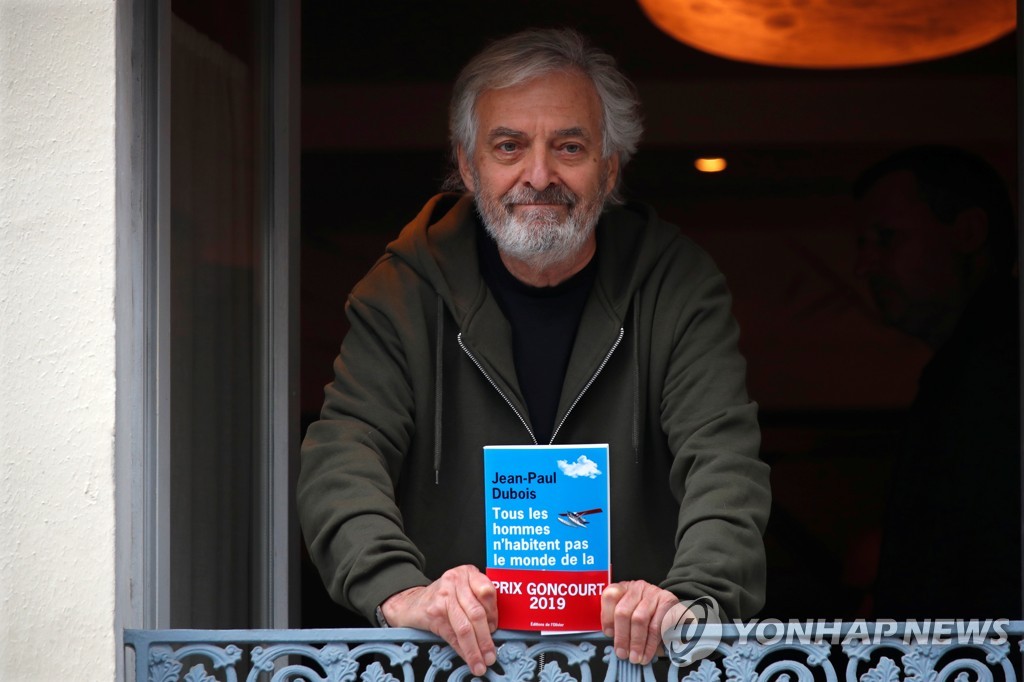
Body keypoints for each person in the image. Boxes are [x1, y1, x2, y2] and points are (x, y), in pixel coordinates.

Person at [298, 28, 770, 675]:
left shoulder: (678, 286)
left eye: (569, 146)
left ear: (610, 168)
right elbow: (343, 454)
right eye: (509, 146)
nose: (539, 176)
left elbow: (724, 461)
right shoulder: (401, 292)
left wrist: (690, 598)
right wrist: (401, 591)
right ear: (469, 166)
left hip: (632, 665)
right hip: (456, 665)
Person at [854, 145, 1021, 618]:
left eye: (886, 238)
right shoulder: (968, 364)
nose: (863, 265)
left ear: (968, 233)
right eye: (863, 244)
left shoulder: (993, 368)